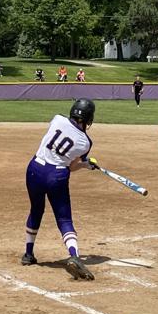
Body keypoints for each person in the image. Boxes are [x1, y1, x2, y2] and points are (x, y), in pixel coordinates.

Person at [22, 98, 99, 281]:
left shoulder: (57, 119)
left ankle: (28, 254)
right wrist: (86, 165)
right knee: (64, 218)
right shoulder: (86, 143)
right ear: (88, 119)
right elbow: (71, 166)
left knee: (36, 210)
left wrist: (84, 163)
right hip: (56, 176)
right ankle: (74, 255)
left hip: (34, 170)